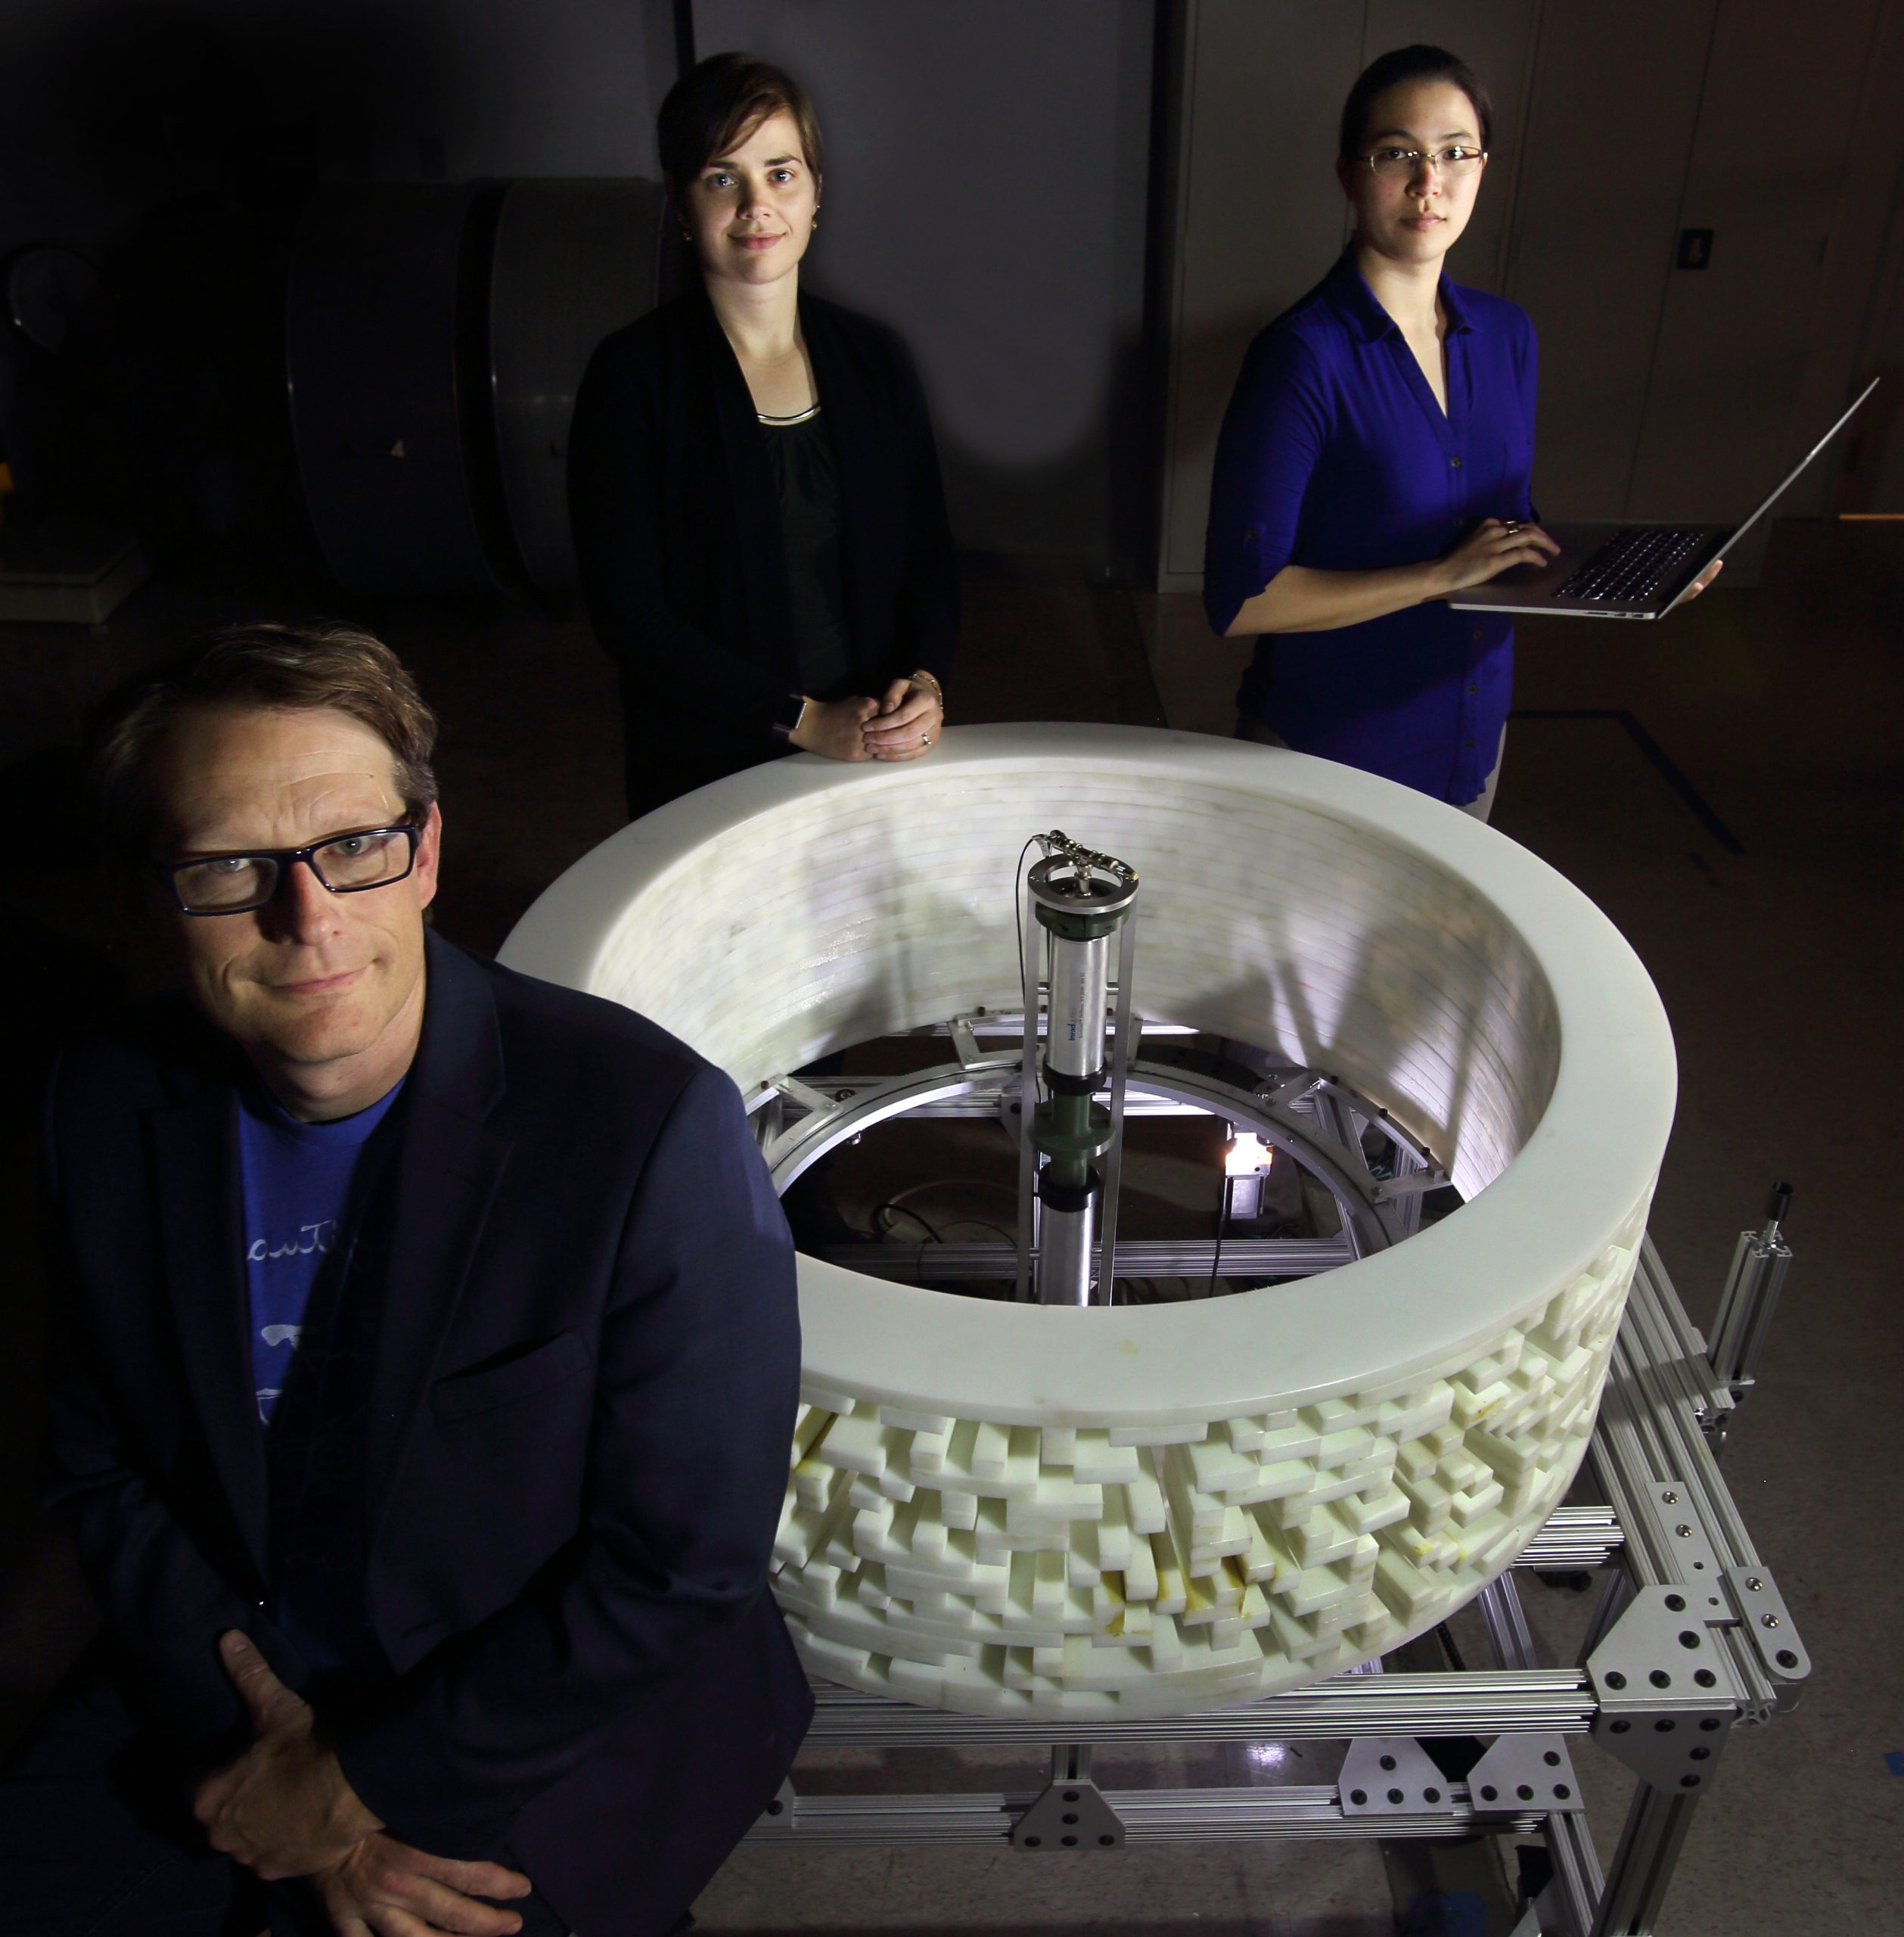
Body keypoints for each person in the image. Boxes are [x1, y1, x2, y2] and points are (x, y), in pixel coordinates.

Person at [2, 623, 809, 1937]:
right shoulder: (95, 1105)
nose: (306, 917)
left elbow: (680, 1563)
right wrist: (268, 1751)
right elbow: (101, 1470)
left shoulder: (643, 1125)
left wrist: (357, 1786)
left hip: (539, 1717)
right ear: (153, 895)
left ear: (425, 852)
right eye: (228, 868)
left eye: (352, 847)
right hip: (232, 1671)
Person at [1204, 43, 1713, 819]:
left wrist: (1624, 577)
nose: (1428, 182)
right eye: (1397, 153)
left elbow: (1504, 531)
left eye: (1454, 152)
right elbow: (1240, 601)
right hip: (1335, 753)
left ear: (1482, 168)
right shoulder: (1303, 356)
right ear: (1349, 174)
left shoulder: (1508, 335)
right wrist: (1440, 576)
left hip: (1472, 735)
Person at [569, 51, 958, 821]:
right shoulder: (632, 376)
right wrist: (803, 721)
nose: (757, 206)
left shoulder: (875, 360)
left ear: (816, 194)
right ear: (683, 207)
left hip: (875, 752)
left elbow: (929, 556)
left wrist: (925, 682)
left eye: (781, 174)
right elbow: (628, 614)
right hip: (710, 765)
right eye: (723, 178)